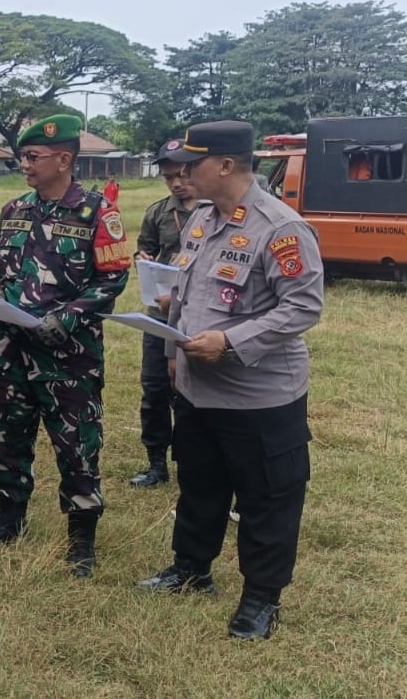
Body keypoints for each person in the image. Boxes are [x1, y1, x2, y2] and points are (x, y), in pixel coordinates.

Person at [138, 120, 323, 641]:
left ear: (224, 165)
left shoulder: (280, 228)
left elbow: (303, 307)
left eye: (191, 165)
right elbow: (188, 292)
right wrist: (173, 348)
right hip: (198, 388)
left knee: (267, 497)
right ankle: (191, 569)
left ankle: (261, 599)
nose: (181, 175)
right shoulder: (201, 218)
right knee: (199, 483)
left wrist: (230, 340)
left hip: (259, 397)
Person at [0, 114, 130, 579]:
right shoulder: (14, 209)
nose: (25, 164)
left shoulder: (98, 212)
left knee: (77, 444)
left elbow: (113, 278)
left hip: (69, 357)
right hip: (13, 350)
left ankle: (81, 540)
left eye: (33, 157)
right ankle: (8, 518)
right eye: (22, 156)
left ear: (64, 160)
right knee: (5, 436)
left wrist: (69, 317)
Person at [128, 140, 199, 488]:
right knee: (155, 388)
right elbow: (145, 249)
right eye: (169, 177)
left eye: (182, 175)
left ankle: (193, 462)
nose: (176, 183)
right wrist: (142, 259)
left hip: (198, 316)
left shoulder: (215, 211)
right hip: (159, 315)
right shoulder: (158, 212)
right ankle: (156, 462)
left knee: (192, 392)